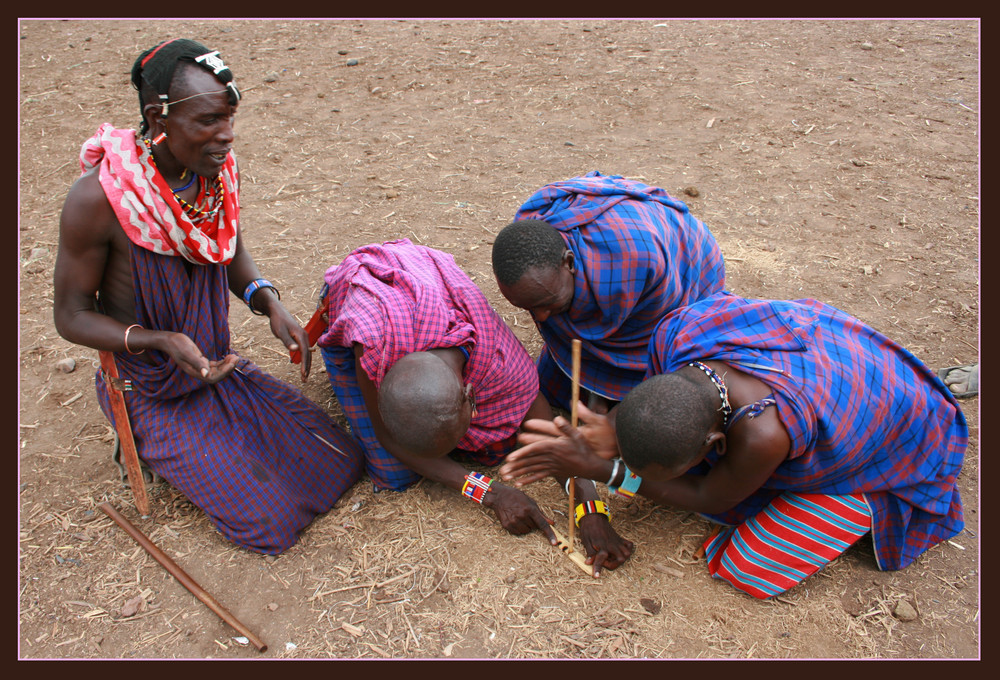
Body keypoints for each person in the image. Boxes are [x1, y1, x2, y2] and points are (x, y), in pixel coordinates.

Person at [52, 39, 365, 555]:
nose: (226, 136)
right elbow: (70, 316)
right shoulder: (100, 199)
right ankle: (158, 446)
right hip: (148, 387)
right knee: (271, 523)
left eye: (230, 118)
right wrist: (163, 340)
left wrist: (269, 302)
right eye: (209, 121)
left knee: (339, 457)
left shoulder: (213, 172)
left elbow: (226, 248)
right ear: (159, 117)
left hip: (212, 366)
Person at [500, 293, 968, 599]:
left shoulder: (765, 434)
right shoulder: (678, 333)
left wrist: (608, 472)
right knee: (676, 479)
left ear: (716, 441)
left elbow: (711, 497)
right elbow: (655, 403)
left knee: (747, 566)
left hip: (902, 432)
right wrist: (612, 430)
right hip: (830, 368)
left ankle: (868, 506)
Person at [313, 239, 633, 575]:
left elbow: (547, 435)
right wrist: (490, 493)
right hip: (354, 294)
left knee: (494, 443)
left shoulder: (503, 367)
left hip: (419, 282)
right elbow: (388, 435)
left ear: (472, 393)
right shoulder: (372, 345)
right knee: (393, 475)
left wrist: (589, 507)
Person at [491, 171, 726, 415]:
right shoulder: (531, 237)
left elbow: (657, 338)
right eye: (529, 307)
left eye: (547, 303)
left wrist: (611, 417)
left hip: (686, 264)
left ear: (569, 263)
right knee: (556, 389)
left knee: (650, 409)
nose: (540, 318)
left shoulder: (637, 263)